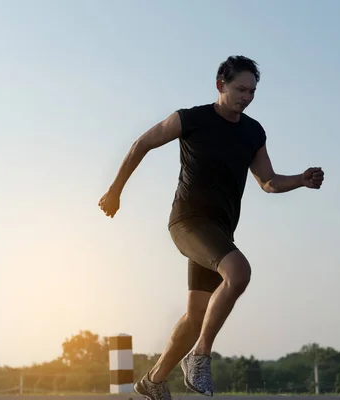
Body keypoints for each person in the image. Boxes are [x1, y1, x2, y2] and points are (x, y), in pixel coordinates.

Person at [98, 55, 325, 399]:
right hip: (187, 222)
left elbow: (267, 181)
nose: (246, 97)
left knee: (195, 317)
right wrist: (115, 191)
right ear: (220, 85)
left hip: (219, 232)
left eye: (252, 91)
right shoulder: (191, 119)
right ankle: (200, 356)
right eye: (239, 89)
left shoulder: (252, 132)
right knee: (239, 273)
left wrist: (301, 180)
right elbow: (142, 142)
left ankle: (154, 381)